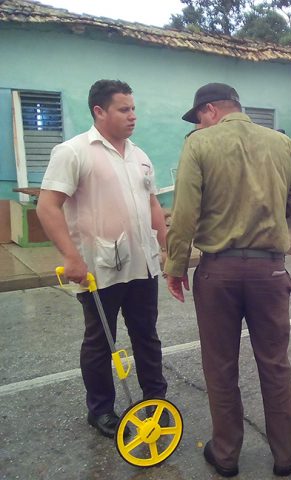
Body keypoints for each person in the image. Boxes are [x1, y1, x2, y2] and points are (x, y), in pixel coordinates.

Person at [164, 83, 291, 477]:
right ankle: (286, 453)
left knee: (220, 365)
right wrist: (265, 204)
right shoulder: (280, 144)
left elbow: (183, 215)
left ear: (210, 110)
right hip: (270, 271)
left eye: (198, 116)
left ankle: (226, 453)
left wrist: (175, 266)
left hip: (218, 273)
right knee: (274, 363)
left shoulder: (199, 145)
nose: (198, 124)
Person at [36, 79, 168, 438]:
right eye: (124, 109)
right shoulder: (74, 152)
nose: (133, 116)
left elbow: (153, 204)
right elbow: (47, 206)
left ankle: (155, 401)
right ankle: (101, 410)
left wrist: (167, 247)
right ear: (99, 111)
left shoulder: (139, 155)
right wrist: (70, 256)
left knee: (147, 336)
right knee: (100, 342)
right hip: (100, 269)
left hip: (143, 265)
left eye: (133, 108)